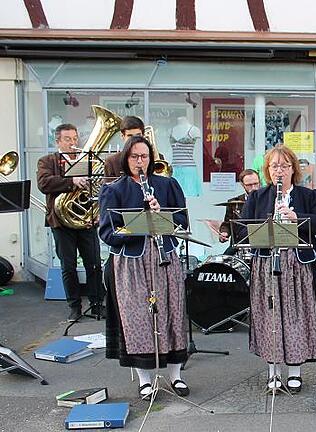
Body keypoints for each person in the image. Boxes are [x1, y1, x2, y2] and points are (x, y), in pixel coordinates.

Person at [98, 135, 191, 399]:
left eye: (145, 156)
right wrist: (139, 222)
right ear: (126, 159)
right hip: (132, 261)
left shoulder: (167, 184)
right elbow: (107, 232)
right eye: (135, 157)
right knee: (137, 318)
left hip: (165, 256)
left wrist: (162, 215)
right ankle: (145, 380)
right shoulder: (114, 190)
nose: (141, 162)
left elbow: (182, 221)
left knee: (172, 312)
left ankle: (176, 376)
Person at [241, 145, 316, 393]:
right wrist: (265, 225)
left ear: (294, 169)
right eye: (274, 166)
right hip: (266, 263)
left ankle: (294, 372)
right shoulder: (257, 197)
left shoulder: (310, 196)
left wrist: (296, 218)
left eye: (284, 166)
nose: (279, 171)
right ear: (267, 171)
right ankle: (272, 372)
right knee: (268, 316)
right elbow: (241, 230)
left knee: (296, 315)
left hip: (298, 264)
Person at [37, 123, 104, 322]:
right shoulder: (47, 161)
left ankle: (96, 304)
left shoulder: (87, 160)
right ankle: (74, 307)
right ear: (57, 141)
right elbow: (44, 183)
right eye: (68, 139)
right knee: (68, 266)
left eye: (75, 138)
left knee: (94, 265)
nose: (73, 142)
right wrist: (72, 181)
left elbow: (101, 183)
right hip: (62, 222)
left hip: (86, 220)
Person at [219, 169, 261, 254]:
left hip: (261, 245)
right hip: (239, 245)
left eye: (256, 184)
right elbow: (227, 223)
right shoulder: (234, 202)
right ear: (242, 185)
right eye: (249, 185)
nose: (253, 188)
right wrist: (224, 233)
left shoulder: (267, 200)